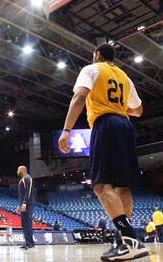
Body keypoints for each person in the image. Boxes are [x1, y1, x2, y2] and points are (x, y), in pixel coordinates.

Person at [58, 43, 148, 261]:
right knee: (122, 187)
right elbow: (138, 110)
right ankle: (125, 241)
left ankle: (128, 238)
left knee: (100, 186)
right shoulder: (124, 77)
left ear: (97, 55)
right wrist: (118, 108)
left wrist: (67, 130)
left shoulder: (92, 69)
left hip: (105, 124)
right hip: (125, 125)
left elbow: (79, 97)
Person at [16, 166, 35, 250]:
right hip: (24, 205)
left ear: (23, 170)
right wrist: (20, 206)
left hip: (28, 204)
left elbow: (29, 191)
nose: (17, 171)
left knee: (27, 223)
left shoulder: (28, 178)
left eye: (18, 169)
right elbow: (22, 194)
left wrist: (24, 203)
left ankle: (30, 243)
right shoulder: (22, 179)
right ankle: (27, 242)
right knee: (24, 224)